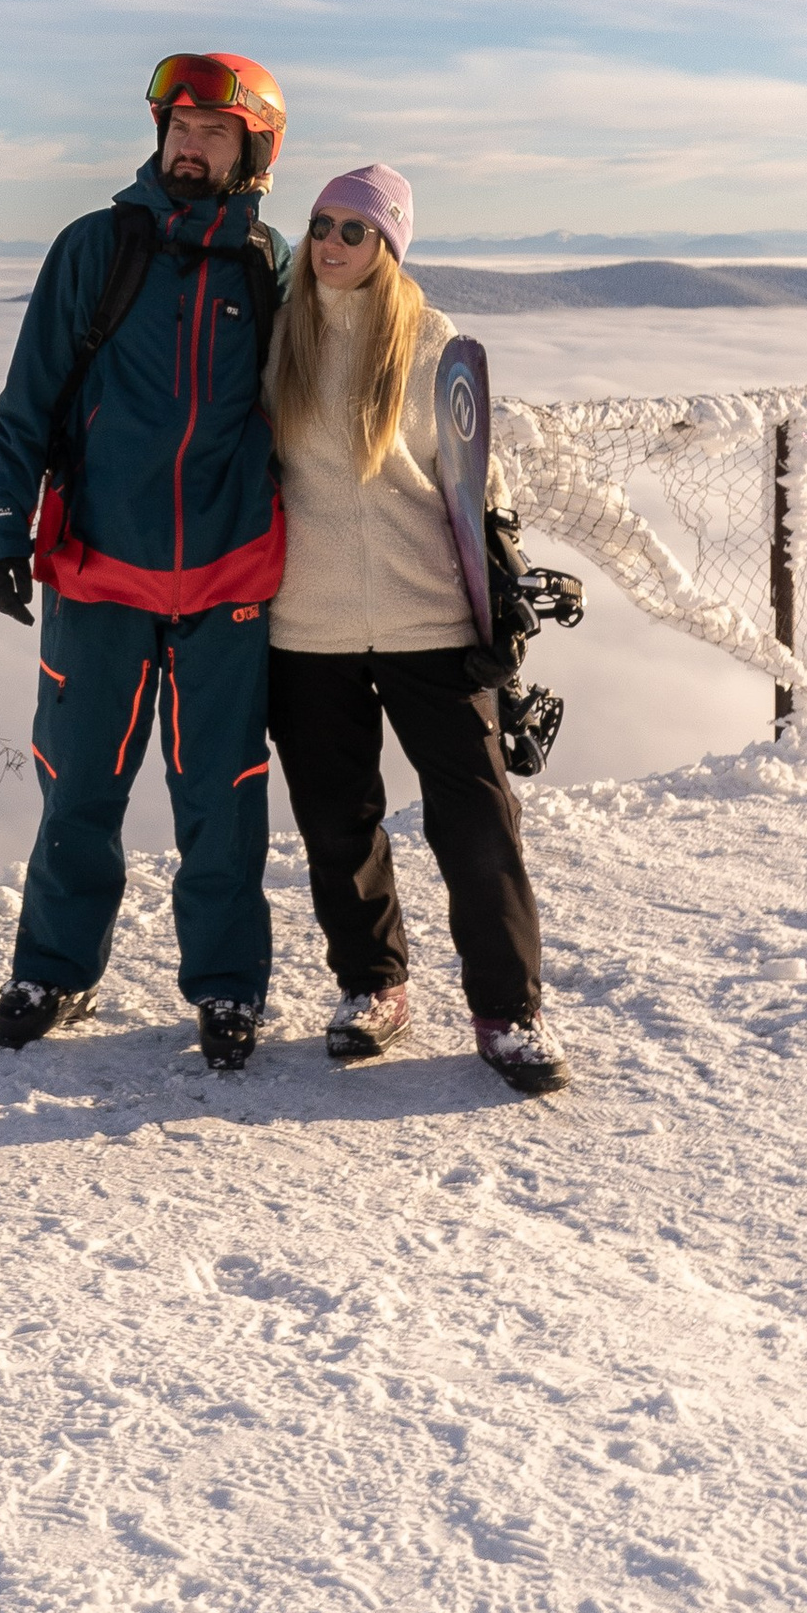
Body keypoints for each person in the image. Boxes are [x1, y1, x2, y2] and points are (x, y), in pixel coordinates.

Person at [0, 53, 289, 1072]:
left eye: (214, 131)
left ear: (253, 151)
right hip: (99, 567)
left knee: (224, 792)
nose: (190, 145)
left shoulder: (268, 264)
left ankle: (229, 989)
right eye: (178, 127)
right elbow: (29, 399)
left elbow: (315, 414)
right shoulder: (95, 248)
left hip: (229, 572)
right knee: (79, 788)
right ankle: (55, 969)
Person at [263, 163, 566, 1097]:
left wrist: (503, 587)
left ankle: (509, 1011)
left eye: (354, 230)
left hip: (427, 619)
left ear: (390, 245)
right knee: (336, 821)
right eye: (319, 224)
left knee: (477, 820)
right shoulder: (281, 340)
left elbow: (479, 488)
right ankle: (373, 987)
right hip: (305, 625)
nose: (330, 244)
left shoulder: (432, 345)